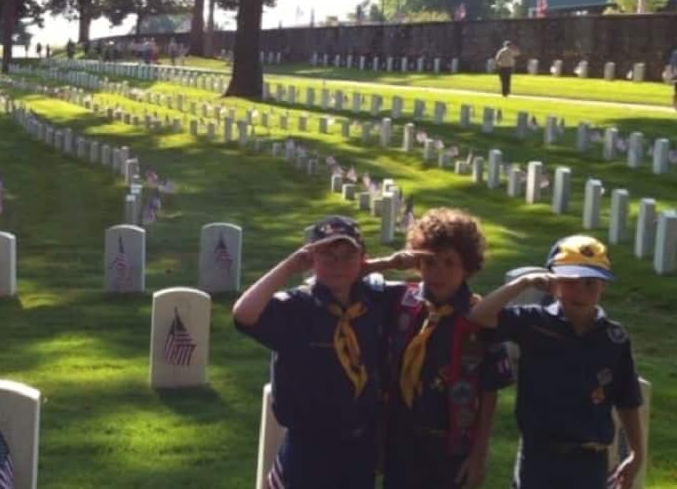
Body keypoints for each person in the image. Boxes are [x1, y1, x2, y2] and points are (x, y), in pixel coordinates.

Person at [469, 235, 644, 489]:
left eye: (590, 284)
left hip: (590, 461)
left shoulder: (613, 339)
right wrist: (524, 282)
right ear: (552, 283)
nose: (581, 293)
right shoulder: (534, 322)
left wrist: (636, 453)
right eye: (570, 282)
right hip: (539, 458)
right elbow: (479, 316)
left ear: (603, 286)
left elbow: (627, 400)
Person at [233, 216, 390, 489]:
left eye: (347, 256)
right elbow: (244, 314)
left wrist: (389, 263)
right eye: (326, 255)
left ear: (362, 259)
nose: (337, 264)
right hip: (308, 448)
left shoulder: (374, 303)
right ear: (310, 259)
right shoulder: (296, 307)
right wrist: (291, 266)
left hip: (359, 446)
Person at [368, 208, 513, 489]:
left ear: (468, 267)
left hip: (450, 449)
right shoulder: (399, 300)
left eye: (450, 263)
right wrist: (387, 263)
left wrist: (478, 456)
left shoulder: (480, 317)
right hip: (398, 442)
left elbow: (489, 390)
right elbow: (346, 277)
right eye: (430, 262)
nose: (438, 273)